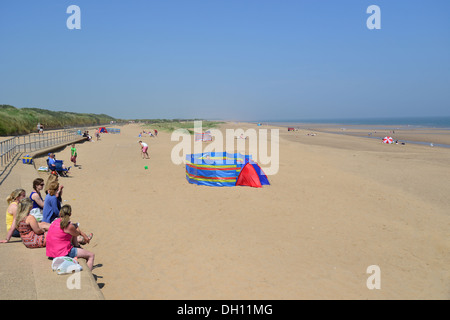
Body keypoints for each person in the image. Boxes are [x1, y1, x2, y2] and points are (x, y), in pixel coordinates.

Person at [46, 205, 95, 271]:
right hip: (62, 252)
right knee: (91, 255)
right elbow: (77, 233)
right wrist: (77, 227)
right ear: (70, 214)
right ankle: (89, 277)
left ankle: (77, 245)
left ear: (60, 213)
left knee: (71, 234)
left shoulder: (55, 222)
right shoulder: (68, 226)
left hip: (51, 252)